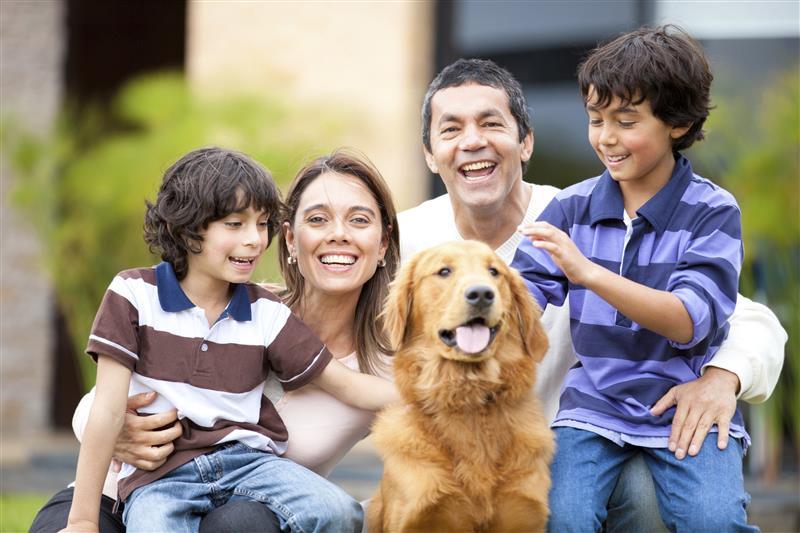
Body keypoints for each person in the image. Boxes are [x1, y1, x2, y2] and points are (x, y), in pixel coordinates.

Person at [398, 57, 785, 531]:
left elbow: (740, 319)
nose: (473, 141)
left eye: (491, 123)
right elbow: (522, 303)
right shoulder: (399, 240)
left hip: (613, 427)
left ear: (526, 142)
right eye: (451, 128)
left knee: (681, 509)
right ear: (429, 153)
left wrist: (724, 376)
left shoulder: (561, 215)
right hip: (544, 433)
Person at [59, 147, 397, 533]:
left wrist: (439, 394)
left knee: (340, 512)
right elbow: (106, 409)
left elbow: (349, 384)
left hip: (248, 465)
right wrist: (82, 520)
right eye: (235, 224)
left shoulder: (265, 312)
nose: (255, 240)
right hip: (160, 478)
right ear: (183, 229)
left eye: (262, 224)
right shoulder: (133, 293)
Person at [513, 25, 754, 531]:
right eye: (596, 119)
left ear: (679, 123)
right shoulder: (572, 207)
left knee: (714, 521)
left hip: (685, 405)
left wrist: (587, 273)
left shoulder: (712, 211)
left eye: (626, 121)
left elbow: (689, 320)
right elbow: (519, 300)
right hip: (593, 407)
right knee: (561, 518)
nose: (606, 138)